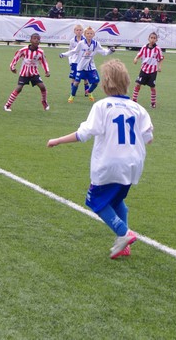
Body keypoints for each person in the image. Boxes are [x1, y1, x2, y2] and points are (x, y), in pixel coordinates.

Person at [46, 60, 154, 259]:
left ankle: (124, 233)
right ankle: (124, 245)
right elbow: (149, 138)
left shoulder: (102, 106)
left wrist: (58, 140)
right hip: (133, 163)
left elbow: (83, 134)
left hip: (109, 163)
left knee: (94, 200)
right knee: (117, 200)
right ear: (127, 82)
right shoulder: (138, 109)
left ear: (105, 84)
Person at [63, 26, 114, 102]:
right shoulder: (81, 43)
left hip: (91, 67)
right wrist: (64, 54)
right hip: (81, 67)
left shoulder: (96, 44)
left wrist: (110, 51)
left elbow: (103, 52)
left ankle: (89, 92)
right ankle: (72, 96)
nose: (89, 35)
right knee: (76, 82)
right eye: (88, 33)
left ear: (94, 35)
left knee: (96, 81)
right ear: (85, 34)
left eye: (91, 33)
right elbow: (73, 51)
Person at [4, 33, 51, 112]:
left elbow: (43, 62)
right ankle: (7, 105)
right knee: (19, 88)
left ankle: (44, 102)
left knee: (42, 87)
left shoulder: (40, 52)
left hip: (34, 73)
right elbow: (16, 57)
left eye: (38, 39)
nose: (36, 40)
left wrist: (47, 71)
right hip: (24, 73)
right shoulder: (24, 50)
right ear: (30, 40)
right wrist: (12, 67)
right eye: (34, 38)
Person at [132, 31, 163, 108]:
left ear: (156, 40)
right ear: (148, 39)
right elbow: (139, 54)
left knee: (152, 87)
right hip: (144, 70)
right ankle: (134, 100)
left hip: (153, 71)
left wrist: (159, 66)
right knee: (138, 84)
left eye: (154, 38)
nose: (152, 39)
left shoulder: (157, 49)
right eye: (151, 38)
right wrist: (135, 59)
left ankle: (153, 103)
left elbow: (160, 58)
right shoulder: (144, 47)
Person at [60, 24, 90, 97]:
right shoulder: (72, 41)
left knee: (85, 78)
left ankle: (87, 92)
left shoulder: (86, 40)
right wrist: (70, 61)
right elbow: (70, 51)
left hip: (83, 61)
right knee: (73, 77)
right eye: (77, 30)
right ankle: (73, 91)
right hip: (75, 61)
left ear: (83, 31)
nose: (79, 31)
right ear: (74, 31)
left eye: (80, 30)